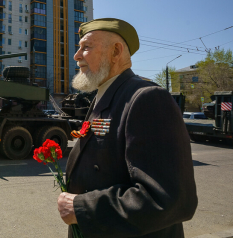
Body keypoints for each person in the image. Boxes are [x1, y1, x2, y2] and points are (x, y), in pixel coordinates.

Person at [57, 18, 197, 237]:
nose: (76, 56)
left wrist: (83, 208)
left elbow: (167, 199)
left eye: (86, 47)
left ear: (115, 51)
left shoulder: (147, 98)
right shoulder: (104, 96)